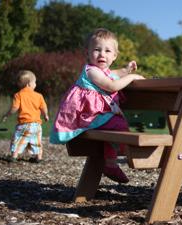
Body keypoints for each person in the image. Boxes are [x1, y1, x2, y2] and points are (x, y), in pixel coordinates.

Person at [50, 28, 145, 184]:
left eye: (108, 51)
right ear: (87, 53)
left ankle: (110, 164)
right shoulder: (91, 72)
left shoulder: (103, 71)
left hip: (97, 116)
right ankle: (133, 155)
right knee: (125, 125)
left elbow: (115, 73)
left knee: (116, 129)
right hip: (90, 117)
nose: (102, 54)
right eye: (97, 49)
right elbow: (112, 85)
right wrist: (132, 76)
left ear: (114, 56)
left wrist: (126, 70)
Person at [2, 70, 49, 163]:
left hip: (25, 124)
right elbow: (44, 107)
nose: (35, 84)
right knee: (36, 141)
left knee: (18, 139)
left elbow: (14, 108)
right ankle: (38, 157)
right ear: (29, 84)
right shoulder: (39, 96)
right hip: (37, 125)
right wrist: (46, 115)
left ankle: (14, 156)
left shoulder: (18, 95)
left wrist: (7, 115)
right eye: (34, 82)